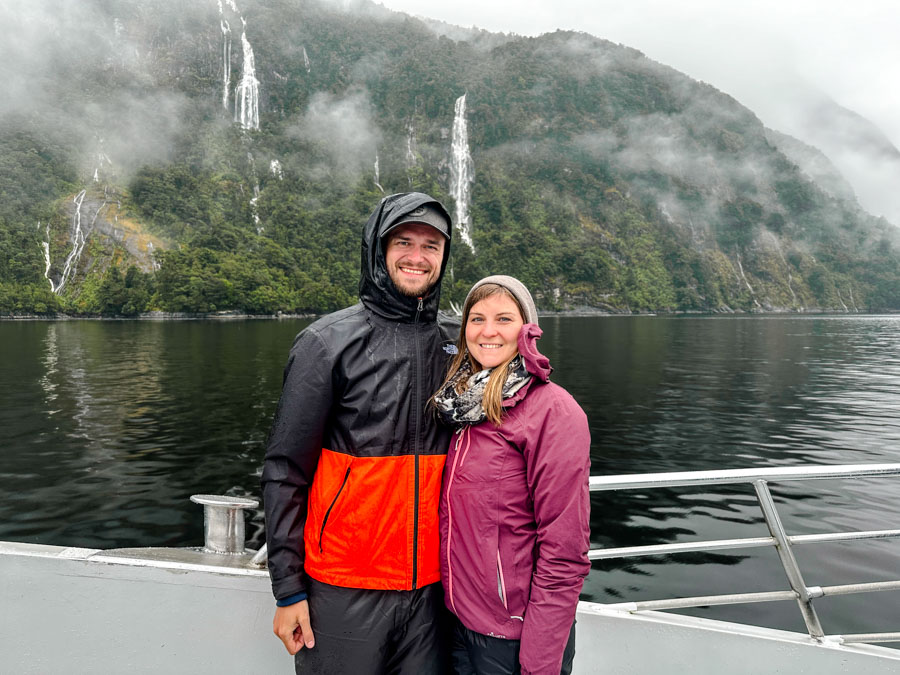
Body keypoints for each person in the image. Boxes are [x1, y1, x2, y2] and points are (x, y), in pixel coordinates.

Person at [261, 192, 457, 674]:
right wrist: (288, 588)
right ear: (377, 249)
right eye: (404, 242)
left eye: (432, 246)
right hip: (344, 586)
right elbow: (285, 470)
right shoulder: (326, 343)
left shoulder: (459, 345)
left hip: (435, 589)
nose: (417, 256)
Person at [432, 275, 591, 675]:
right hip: (457, 624)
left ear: (527, 329)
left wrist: (538, 665)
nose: (488, 332)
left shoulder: (553, 411)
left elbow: (565, 554)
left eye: (504, 319)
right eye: (476, 318)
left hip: (513, 639)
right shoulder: (463, 406)